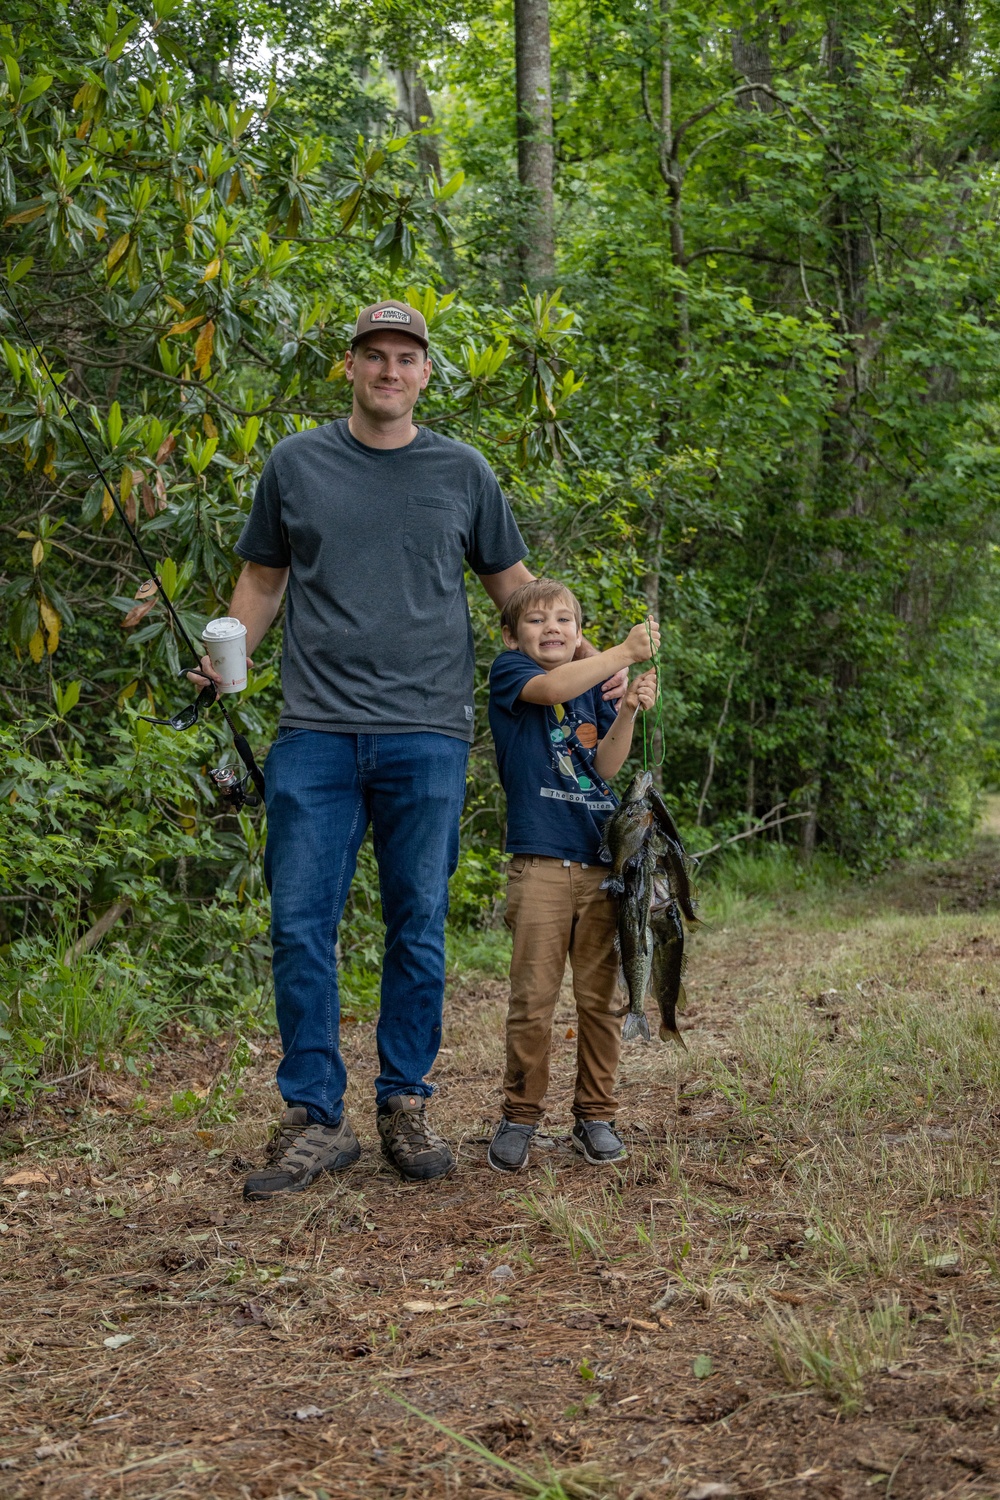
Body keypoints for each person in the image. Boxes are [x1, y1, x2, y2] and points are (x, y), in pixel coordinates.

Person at [192, 300, 625, 1198]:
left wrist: (593, 663)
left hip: (427, 735)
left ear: (426, 373)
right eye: (374, 356)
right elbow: (263, 581)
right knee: (300, 924)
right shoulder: (297, 464)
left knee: (416, 926)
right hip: (312, 731)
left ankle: (405, 1104)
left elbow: (519, 592)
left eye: (406, 358)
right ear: (348, 366)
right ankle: (315, 1118)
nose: (390, 371)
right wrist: (224, 653)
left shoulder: (462, 472)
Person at [486, 579, 659, 1172]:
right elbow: (554, 686)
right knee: (533, 1001)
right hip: (539, 866)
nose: (552, 628)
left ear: (579, 631)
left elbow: (606, 765)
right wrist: (621, 653)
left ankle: (596, 1115)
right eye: (537, 621)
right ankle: (520, 1116)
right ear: (512, 636)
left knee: (600, 1000)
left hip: (600, 868)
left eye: (565, 619)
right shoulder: (512, 675)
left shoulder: (595, 691)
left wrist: (628, 708)